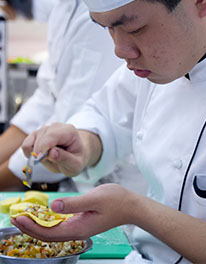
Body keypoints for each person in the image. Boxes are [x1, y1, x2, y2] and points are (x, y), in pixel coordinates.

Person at [11, 0, 206, 263]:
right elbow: (107, 114)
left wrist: (135, 210)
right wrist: (84, 144)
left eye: (135, 28)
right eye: (107, 28)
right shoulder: (163, 59)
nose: (120, 51)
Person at [0, 0, 123, 191]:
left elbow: (67, 127)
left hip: (113, 185)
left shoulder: (98, 12)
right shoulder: (63, 8)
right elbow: (46, 97)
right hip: (79, 181)